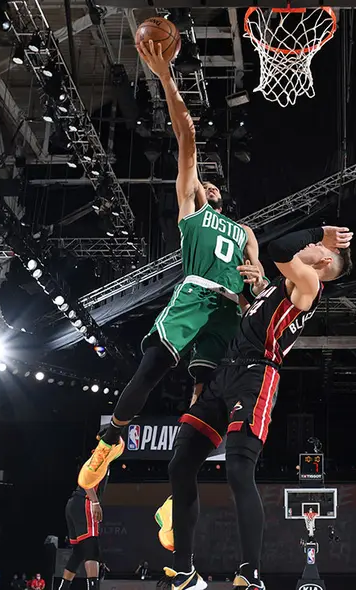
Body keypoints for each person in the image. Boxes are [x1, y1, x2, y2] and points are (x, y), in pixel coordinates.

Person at [78, 38, 264, 490]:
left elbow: (259, 288)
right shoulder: (190, 211)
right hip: (195, 294)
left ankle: (178, 490)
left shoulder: (246, 233)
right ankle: (112, 439)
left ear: (225, 197)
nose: (210, 187)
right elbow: (186, 136)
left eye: (216, 186)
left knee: (207, 400)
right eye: (205, 182)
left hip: (229, 310)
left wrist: (258, 282)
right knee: (151, 368)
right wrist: (164, 75)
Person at [154, 226, 353, 590]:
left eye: (314, 247)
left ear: (324, 260)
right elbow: (253, 315)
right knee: (180, 464)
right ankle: (185, 571)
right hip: (226, 373)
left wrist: (321, 232)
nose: (308, 246)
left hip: (258, 374)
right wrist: (250, 287)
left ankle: (251, 574)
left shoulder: (309, 282)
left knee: (238, 471)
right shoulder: (277, 287)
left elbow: (280, 247)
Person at [58, 468, 108, 590]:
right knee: (92, 548)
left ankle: (63, 587)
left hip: (75, 503)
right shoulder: (100, 456)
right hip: (84, 502)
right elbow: (85, 480)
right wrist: (95, 502)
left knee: (79, 552)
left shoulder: (105, 459)